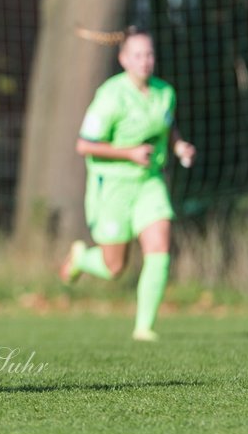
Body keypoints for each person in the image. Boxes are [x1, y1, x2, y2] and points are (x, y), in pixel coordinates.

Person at [58, 26, 196, 341]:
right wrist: (128, 153)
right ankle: (82, 258)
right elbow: (84, 145)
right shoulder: (110, 96)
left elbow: (167, 124)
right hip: (113, 187)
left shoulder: (164, 92)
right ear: (123, 60)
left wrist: (178, 147)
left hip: (149, 182)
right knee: (114, 267)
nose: (145, 61)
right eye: (137, 55)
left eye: (149, 54)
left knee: (160, 246)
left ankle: (144, 327)